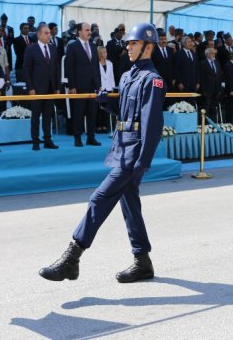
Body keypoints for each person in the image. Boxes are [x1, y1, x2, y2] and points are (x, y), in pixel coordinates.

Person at [39, 22, 165, 284]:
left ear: (148, 47)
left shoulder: (153, 80)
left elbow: (152, 122)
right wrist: (108, 102)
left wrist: (143, 160)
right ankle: (143, 261)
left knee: (99, 199)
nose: (128, 47)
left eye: (134, 43)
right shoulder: (129, 76)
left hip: (133, 155)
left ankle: (71, 259)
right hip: (122, 148)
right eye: (129, 43)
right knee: (129, 204)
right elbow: (126, 114)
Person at [22, 24, 61, 150]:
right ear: (39, 34)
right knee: (36, 116)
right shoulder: (31, 49)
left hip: (50, 88)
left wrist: (57, 87)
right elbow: (26, 70)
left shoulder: (53, 48)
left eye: (49, 33)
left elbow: (57, 69)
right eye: (46, 33)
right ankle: (35, 141)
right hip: (36, 89)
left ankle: (47, 139)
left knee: (48, 115)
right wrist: (30, 88)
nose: (49, 35)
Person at [64, 22, 102, 147]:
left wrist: (99, 84)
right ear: (79, 32)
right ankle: (77, 138)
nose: (89, 32)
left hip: (93, 85)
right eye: (87, 30)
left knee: (92, 112)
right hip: (79, 85)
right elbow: (69, 68)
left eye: (90, 30)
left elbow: (96, 66)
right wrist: (72, 86)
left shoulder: (92, 45)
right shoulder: (72, 46)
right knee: (78, 112)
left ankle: (91, 137)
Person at [199, 46, 222, 121]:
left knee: (213, 107)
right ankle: (206, 124)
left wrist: (219, 89)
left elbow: (219, 76)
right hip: (207, 90)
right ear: (207, 54)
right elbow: (201, 77)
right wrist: (203, 90)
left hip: (216, 89)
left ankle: (214, 123)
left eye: (214, 53)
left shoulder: (217, 62)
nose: (214, 55)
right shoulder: (203, 63)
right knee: (206, 107)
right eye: (212, 53)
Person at [96, 46, 116, 132]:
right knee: (99, 108)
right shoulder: (96, 64)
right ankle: (99, 126)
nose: (105, 54)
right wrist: (97, 86)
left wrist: (112, 87)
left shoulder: (110, 63)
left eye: (106, 52)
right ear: (99, 54)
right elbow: (96, 77)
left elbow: (111, 76)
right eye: (104, 52)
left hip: (108, 88)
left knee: (107, 108)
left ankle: (106, 126)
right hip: (100, 88)